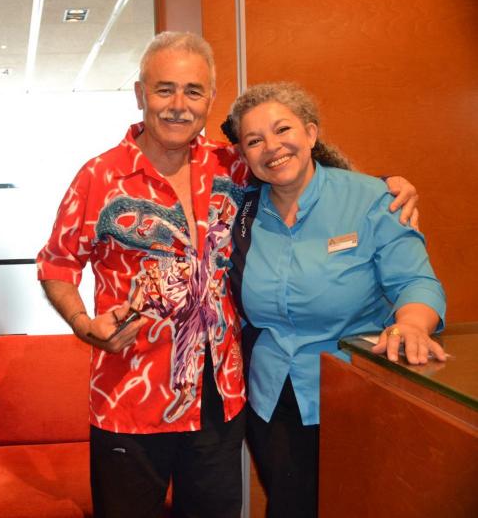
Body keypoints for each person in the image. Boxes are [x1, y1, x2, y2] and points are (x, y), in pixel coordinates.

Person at [36, 32, 420, 518]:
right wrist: (82, 323)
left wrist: (383, 186)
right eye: (165, 90)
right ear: (140, 94)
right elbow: (57, 263)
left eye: (193, 91)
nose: (179, 105)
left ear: (210, 99)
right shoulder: (98, 178)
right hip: (129, 396)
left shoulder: (232, 164)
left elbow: (300, 171)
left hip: (220, 396)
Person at [223, 81, 446, 518]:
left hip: (352, 390)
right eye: (254, 140)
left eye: (283, 129)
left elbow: (416, 281)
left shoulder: (371, 199)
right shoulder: (240, 212)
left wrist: (412, 324)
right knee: (290, 506)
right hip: (271, 396)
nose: (272, 147)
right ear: (244, 155)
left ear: (311, 133)